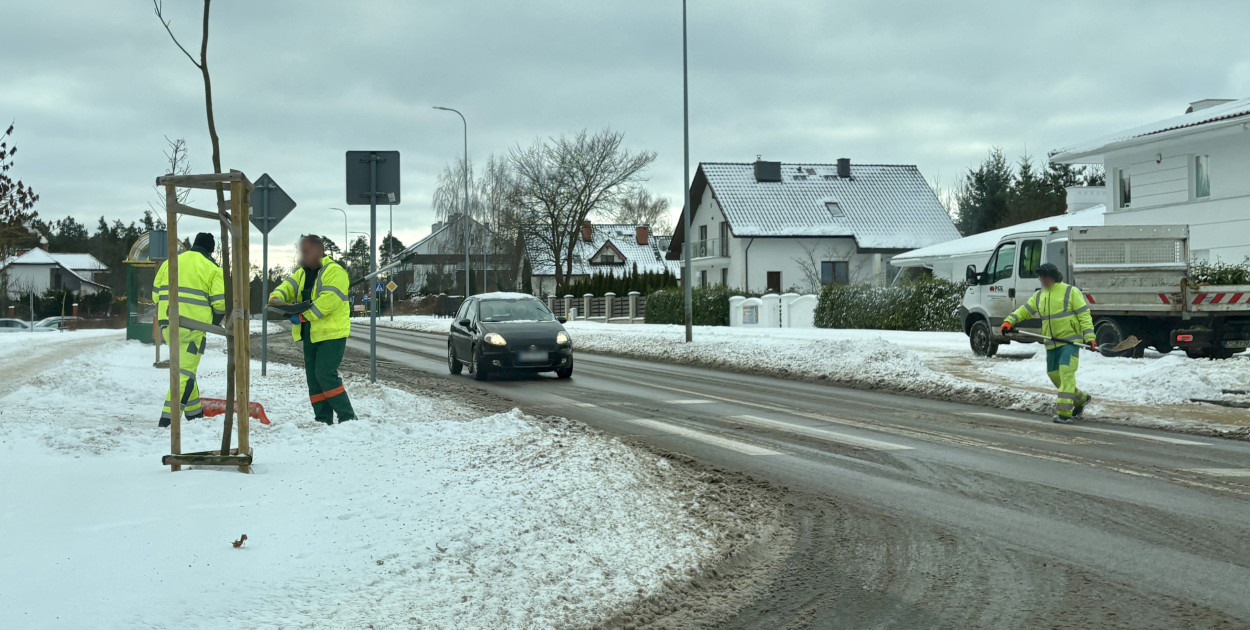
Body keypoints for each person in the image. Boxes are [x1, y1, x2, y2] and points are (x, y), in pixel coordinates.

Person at [269, 234, 355, 424]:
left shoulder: (334, 271)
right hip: (310, 334)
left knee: (325, 374)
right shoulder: (302, 274)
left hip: (331, 334)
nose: (303, 255)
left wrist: (301, 316)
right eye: (302, 251)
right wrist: (276, 298)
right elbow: (285, 287)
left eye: (306, 251)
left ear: (319, 251)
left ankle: (348, 418)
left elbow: (327, 302)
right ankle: (323, 419)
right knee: (314, 380)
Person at [1000, 263, 1097, 424]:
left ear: (1052, 277)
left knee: (1066, 373)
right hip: (1051, 343)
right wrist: (1009, 321)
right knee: (1054, 375)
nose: (1042, 280)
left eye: (1044, 277)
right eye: (1041, 278)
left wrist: (1090, 336)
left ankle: (1064, 413)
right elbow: (1025, 310)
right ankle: (1080, 399)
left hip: (1070, 342)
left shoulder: (1070, 292)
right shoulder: (1039, 296)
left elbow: (1084, 315)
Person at [153, 232, 226, 428]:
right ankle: (168, 421)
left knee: (184, 368)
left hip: (167, 324)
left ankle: (195, 415)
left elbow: (154, 295)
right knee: (184, 373)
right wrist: (214, 319)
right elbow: (220, 304)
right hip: (194, 328)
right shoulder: (213, 268)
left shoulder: (171, 262)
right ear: (211, 250)